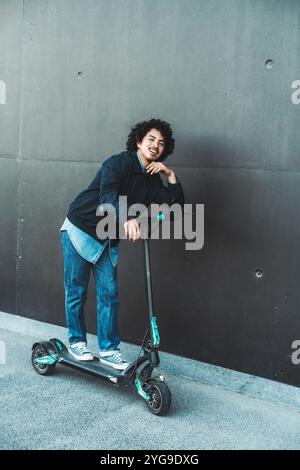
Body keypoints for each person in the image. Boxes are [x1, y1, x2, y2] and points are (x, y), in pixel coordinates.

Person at [60, 118, 184, 370]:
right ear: (138, 141)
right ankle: (76, 342)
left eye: (161, 143)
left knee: (109, 295)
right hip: (80, 229)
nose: (155, 145)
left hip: (107, 238)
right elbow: (108, 197)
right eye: (150, 139)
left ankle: (108, 350)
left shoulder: (153, 182)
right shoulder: (117, 163)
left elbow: (176, 205)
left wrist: (170, 175)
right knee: (76, 292)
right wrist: (128, 218)